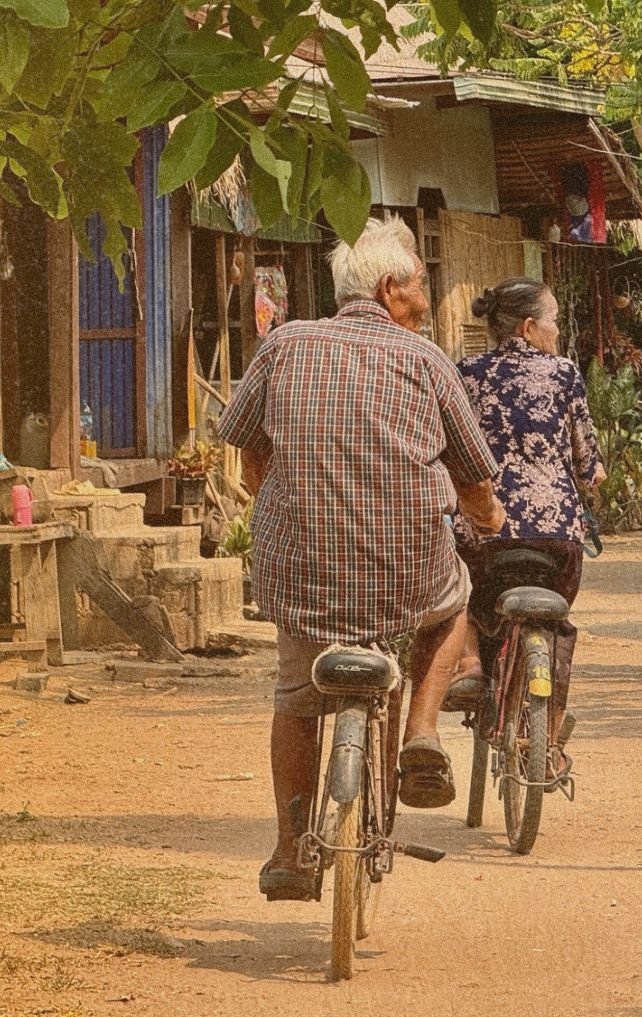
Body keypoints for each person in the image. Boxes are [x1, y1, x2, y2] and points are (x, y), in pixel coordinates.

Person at [217, 216, 506, 901]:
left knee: (295, 694)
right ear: (388, 289)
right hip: (407, 570)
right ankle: (423, 731)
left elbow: (248, 450)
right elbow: (472, 479)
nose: (428, 294)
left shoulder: (283, 345)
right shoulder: (427, 359)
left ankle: (291, 851)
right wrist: (490, 519)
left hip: (300, 570)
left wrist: (288, 499)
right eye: (420, 281)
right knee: (452, 603)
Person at [449, 277, 605, 752]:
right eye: (553, 321)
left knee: (465, 594)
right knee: (553, 623)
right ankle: (550, 740)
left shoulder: (466, 373)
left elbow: (450, 447)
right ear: (530, 325)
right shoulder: (563, 374)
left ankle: (472, 662)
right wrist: (591, 473)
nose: (557, 331)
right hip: (556, 536)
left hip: (484, 529)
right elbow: (588, 462)